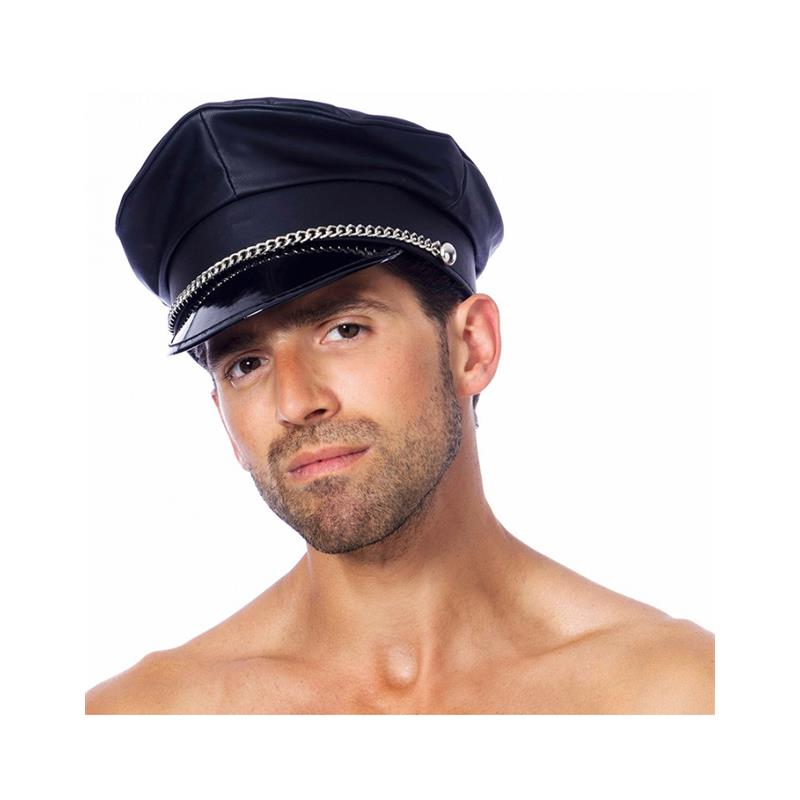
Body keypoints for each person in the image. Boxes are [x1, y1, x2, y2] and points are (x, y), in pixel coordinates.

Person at [86, 96, 714, 714]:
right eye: (245, 364)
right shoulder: (143, 719)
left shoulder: (676, 695)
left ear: (472, 346)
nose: (294, 402)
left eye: (343, 329)